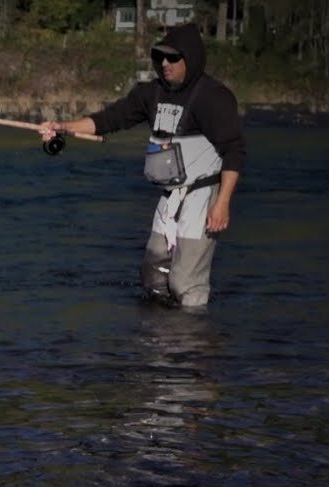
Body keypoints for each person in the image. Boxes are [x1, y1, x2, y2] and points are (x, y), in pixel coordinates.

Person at [39, 23, 245, 308]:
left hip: (203, 196)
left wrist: (222, 204)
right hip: (171, 197)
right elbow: (109, 119)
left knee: (185, 282)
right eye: (160, 56)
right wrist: (63, 127)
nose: (164, 63)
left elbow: (234, 150)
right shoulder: (151, 93)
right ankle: (161, 339)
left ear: (191, 59)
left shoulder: (214, 97)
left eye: (173, 58)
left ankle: (194, 344)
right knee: (153, 277)